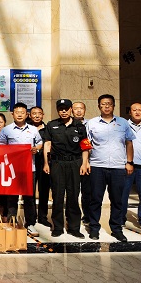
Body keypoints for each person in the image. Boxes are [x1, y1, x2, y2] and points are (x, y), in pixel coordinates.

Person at [86, 94, 135, 242]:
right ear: (99, 106)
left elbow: (129, 143)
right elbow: (86, 144)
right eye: (103, 104)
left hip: (118, 167)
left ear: (113, 105)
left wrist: (129, 162)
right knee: (95, 199)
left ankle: (116, 229)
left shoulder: (123, 123)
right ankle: (94, 228)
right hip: (97, 166)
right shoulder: (92, 123)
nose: (106, 106)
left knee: (117, 199)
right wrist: (86, 162)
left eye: (109, 104)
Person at [43, 99, 89, 239]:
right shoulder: (52, 125)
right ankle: (57, 227)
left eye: (66, 108)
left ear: (71, 110)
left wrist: (84, 164)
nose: (63, 111)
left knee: (73, 195)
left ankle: (74, 227)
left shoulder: (80, 126)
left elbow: (85, 146)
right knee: (57, 195)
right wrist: (46, 163)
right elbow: (47, 145)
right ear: (58, 110)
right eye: (60, 109)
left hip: (75, 163)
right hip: (57, 163)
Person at [0, 102, 43, 236]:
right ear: (12, 114)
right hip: (12, 169)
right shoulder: (6, 130)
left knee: (29, 197)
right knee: (12, 197)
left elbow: (40, 142)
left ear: (26, 114)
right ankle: (12, 223)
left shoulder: (33, 129)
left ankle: (31, 224)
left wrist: (36, 149)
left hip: (29, 168)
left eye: (22, 112)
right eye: (17, 112)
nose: (19, 115)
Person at [122, 103, 141, 232]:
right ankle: (120, 219)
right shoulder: (123, 125)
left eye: (140, 110)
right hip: (127, 165)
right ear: (129, 112)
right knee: (122, 195)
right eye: (134, 110)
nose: (137, 112)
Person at [28, 106, 51, 229]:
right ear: (29, 115)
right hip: (29, 163)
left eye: (39, 113)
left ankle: (43, 217)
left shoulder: (48, 129)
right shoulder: (26, 128)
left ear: (43, 115)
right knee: (30, 192)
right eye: (34, 113)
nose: (37, 116)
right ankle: (31, 218)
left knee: (44, 191)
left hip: (44, 163)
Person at [72, 101, 90, 224]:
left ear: (85, 110)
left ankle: (87, 215)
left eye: (81, 108)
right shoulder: (68, 124)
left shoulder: (91, 124)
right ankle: (74, 216)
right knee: (73, 191)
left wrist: (86, 161)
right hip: (73, 161)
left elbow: (88, 144)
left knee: (87, 191)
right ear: (71, 110)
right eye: (76, 109)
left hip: (88, 162)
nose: (78, 111)